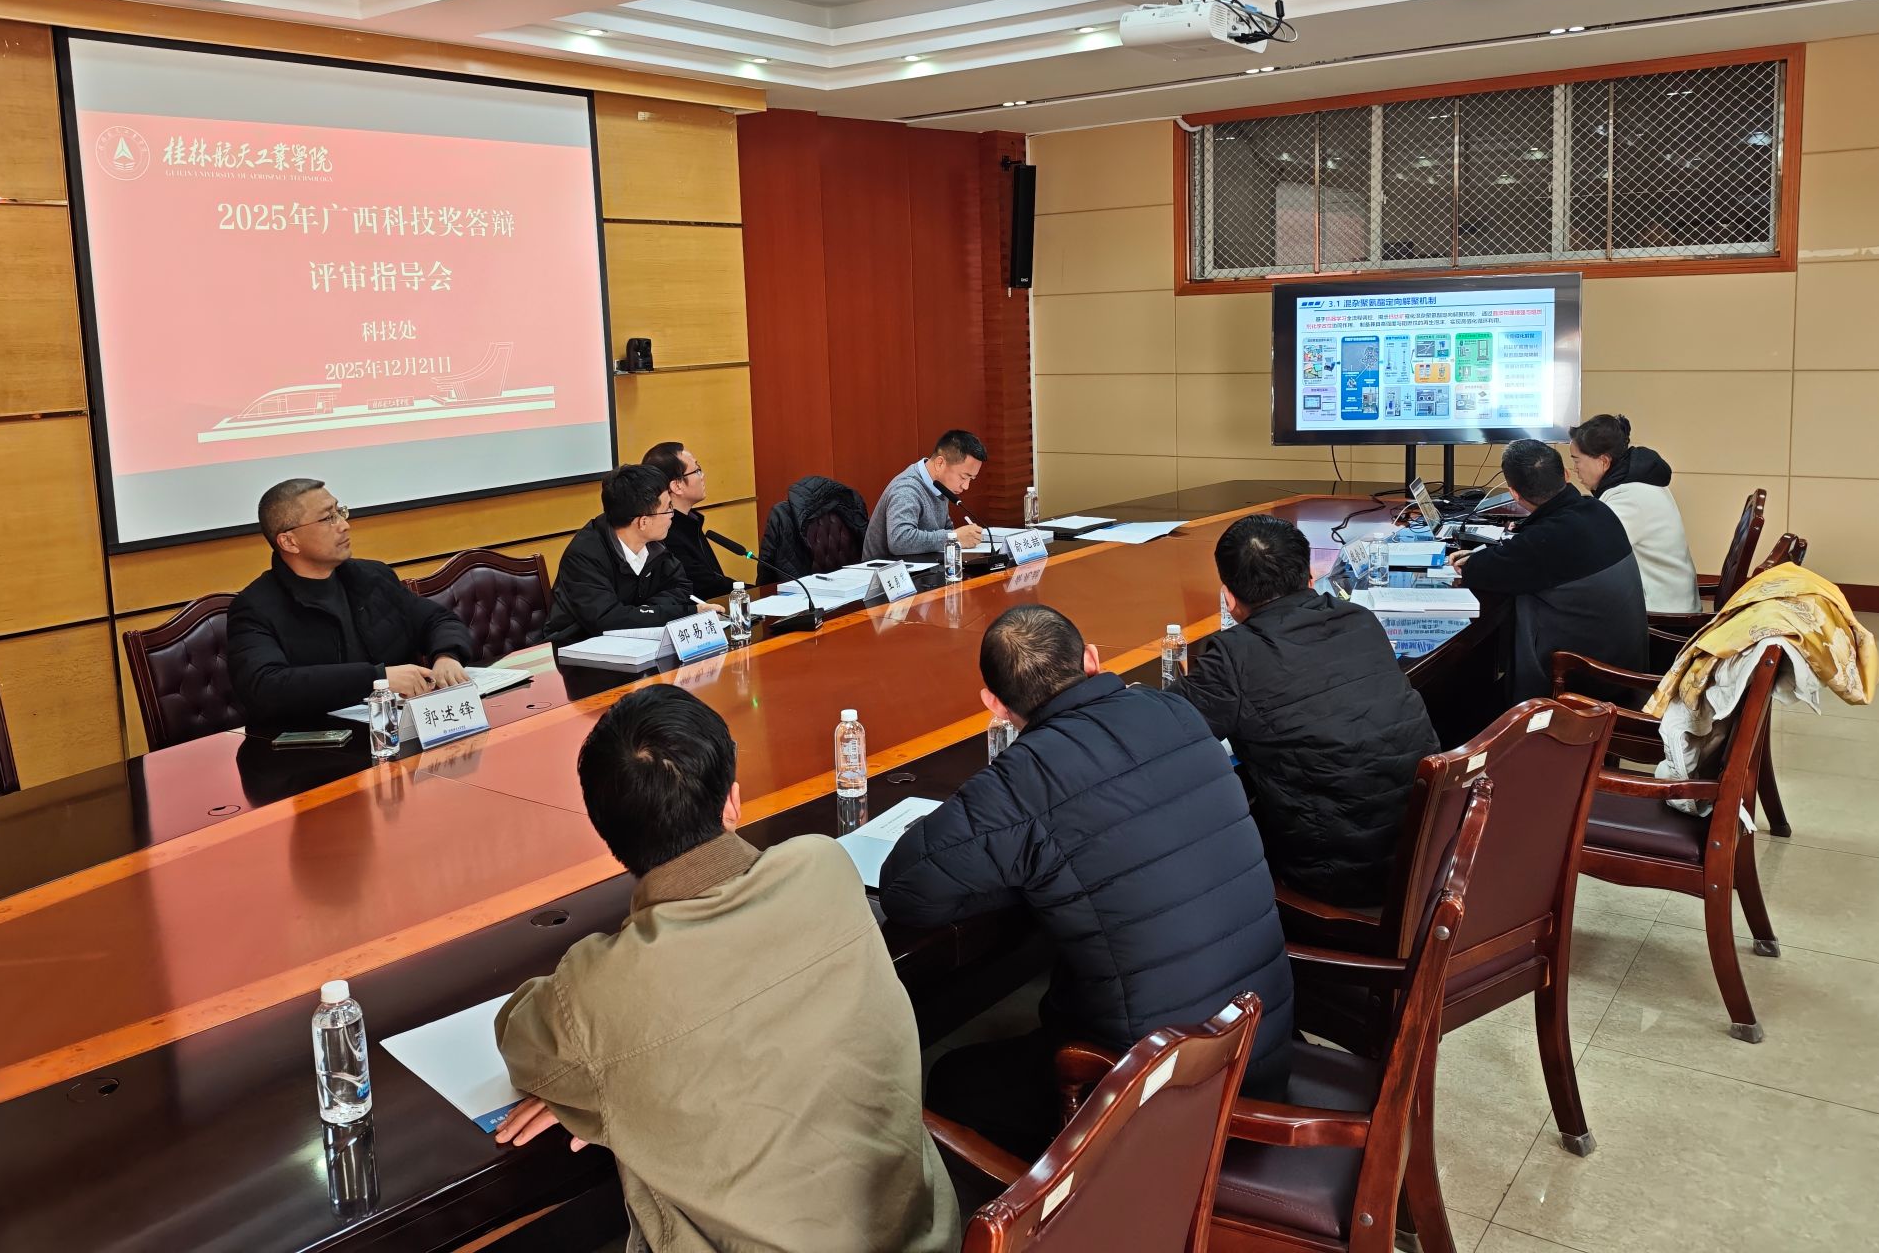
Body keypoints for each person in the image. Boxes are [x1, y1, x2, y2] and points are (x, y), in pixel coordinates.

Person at [494, 686, 960, 1253]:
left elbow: (520, 1039)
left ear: (606, 833)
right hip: (926, 1234)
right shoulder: (823, 864)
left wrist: (585, 1078)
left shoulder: (597, 991)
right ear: (733, 800)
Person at [879, 604, 1294, 1158]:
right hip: (1265, 1042)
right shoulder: (1174, 711)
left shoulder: (1021, 782)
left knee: (952, 1077)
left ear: (994, 705)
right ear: (1092, 660)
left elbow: (905, 888)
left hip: (1164, 1094)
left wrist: (1028, 876)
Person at [1184, 514, 1441, 909]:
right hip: (1424, 851)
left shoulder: (1235, 655)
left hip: (1335, 877)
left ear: (1228, 598)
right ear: (1309, 578)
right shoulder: (1360, 619)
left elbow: (1167, 730)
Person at [227, 478, 475, 730]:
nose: (344, 525)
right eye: (328, 518)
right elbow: (266, 687)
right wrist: (378, 679)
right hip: (318, 742)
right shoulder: (255, 608)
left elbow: (438, 619)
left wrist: (447, 656)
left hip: (400, 728)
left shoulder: (371, 577)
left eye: (340, 512)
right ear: (289, 542)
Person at [1453, 439, 1648, 701]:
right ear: (1566, 475)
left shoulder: (1547, 539)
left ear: (1514, 494)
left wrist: (1472, 559)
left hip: (1586, 688)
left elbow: (1478, 571)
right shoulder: (1598, 510)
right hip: (1624, 673)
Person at [543, 464, 697, 644]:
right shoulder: (584, 555)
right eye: (668, 507)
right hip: (576, 648)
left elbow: (681, 587)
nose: (672, 514)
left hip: (635, 643)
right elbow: (607, 620)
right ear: (643, 522)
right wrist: (669, 613)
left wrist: (645, 612)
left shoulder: (653, 544)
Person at [1567, 413, 1700, 616]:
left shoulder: (1629, 496)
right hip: (1668, 596)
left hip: (1662, 609)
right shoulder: (1636, 481)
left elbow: (1591, 552)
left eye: (1577, 461)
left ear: (1603, 461)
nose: (1575, 469)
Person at [862, 430, 987, 560]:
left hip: (923, 566)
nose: (966, 486)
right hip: (888, 571)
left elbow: (945, 529)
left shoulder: (939, 485)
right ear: (940, 463)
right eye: (964, 477)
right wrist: (954, 537)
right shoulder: (906, 489)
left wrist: (966, 537)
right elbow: (899, 541)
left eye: (971, 479)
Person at [642, 441, 731, 601]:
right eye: (697, 470)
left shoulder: (690, 521)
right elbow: (705, 586)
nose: (702, 476)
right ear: (677, 486)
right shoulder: (665, 533)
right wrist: (757, 592)